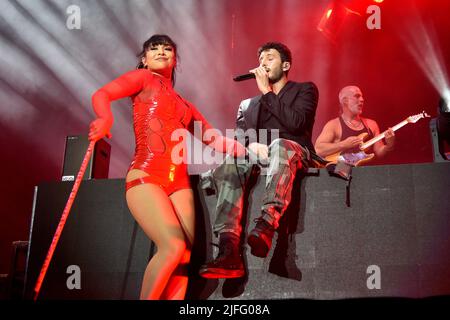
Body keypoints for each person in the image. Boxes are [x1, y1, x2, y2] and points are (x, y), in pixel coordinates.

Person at [88, 34, 245, 299]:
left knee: (183, 256)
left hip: (179, 184)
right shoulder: (143, 79)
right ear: (144, 59)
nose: (161, 52)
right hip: (146, 174)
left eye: (167, 49)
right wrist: (104, 118)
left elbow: (213, 139)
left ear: (175, 60)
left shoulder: (185, 104)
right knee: (172, 246)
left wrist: (243, 148)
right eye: (154, 49)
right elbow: (102, 94)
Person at [198, 42, 320, 279]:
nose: (263, 63)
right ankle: (228, 250)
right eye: (261, 59)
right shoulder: (247, 105)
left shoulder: (305, 90)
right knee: (231, 162)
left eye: (270, 58)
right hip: (258, 158)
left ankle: (266, 223)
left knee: (280, 145)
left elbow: (296, 124)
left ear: (286, 65)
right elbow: (240, 141)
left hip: (293, 152)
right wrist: (250, 145)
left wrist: (267, 92)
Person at [314, 85, 395, 163]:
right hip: (343, 172)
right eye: (357, 96)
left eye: (362, 96)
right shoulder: (333, 125)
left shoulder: (371, 124)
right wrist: (344, 144)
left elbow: (379, 153)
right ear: (345, 100)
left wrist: (389, 145)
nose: (362, 99)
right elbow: (318, 150)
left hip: (367, 171)